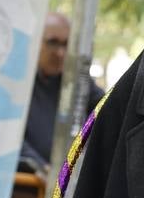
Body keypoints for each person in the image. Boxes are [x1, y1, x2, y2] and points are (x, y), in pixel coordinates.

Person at [20, 12, 102, 174]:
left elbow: (107, 108)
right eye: (53, 43)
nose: (60, 53)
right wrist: (41, 167)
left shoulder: (77, 81)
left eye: (66, 44)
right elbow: (9, 138)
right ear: (35, 41)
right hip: (27, 185)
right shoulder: (19, 82)